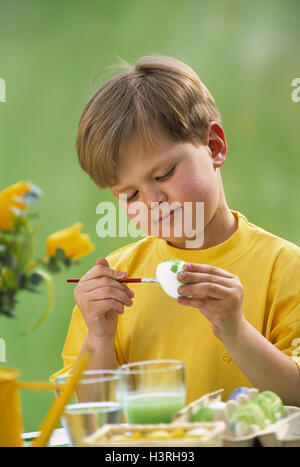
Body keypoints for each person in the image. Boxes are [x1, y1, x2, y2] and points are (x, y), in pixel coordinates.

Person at [50, 55, 300, 406]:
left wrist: (236, 331)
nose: (153, 201)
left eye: (164, 174)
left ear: (214, 146)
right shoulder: (118, 280)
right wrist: (100, 337)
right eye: (131, 194)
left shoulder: (284, 268)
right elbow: (89, 417)